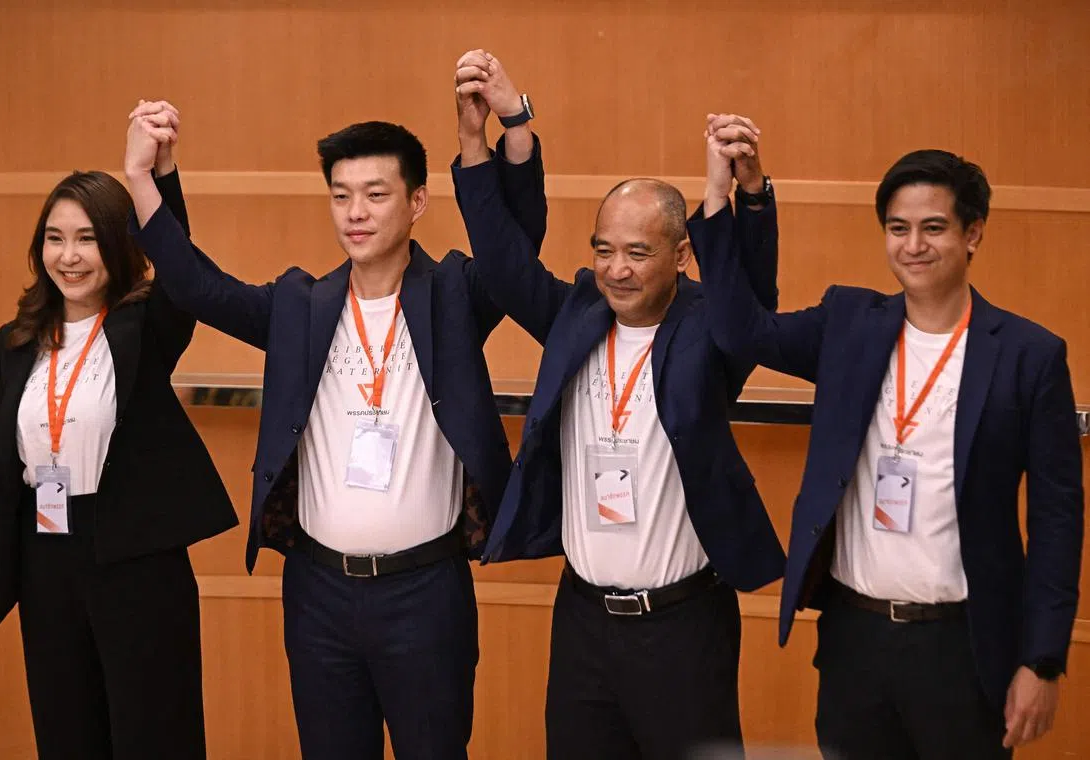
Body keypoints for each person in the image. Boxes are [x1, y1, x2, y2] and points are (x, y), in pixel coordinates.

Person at [122, 51, 546, 760]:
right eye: (342, 194)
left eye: (376, 194)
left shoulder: (452, 296)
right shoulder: (301, 306)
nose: (356, 212)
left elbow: (517, 253)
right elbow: (196, 286)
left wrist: (504, 129)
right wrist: (145, 176)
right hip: (317, 592)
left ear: (416, 203)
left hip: (426, 593)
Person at [693, 121, 1084, 758]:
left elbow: (1058, 520)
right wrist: (734, 196)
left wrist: (1041, 662)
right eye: (898, 229)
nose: (913, 246)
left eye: (934, 228)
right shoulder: (850, 324)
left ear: (973, 232)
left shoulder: (1028, 355)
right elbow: (741, 331)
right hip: (856, 639)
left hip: (963, 646)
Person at [452, 89, 785, 758]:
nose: (615, 269)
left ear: (682, 254)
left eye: (636, 252)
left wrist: (743, 193)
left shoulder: (711, 331)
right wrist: (479, 139)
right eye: (603, 250)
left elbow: (751, 294)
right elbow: (504, 266)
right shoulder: (577, 314)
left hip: (683, 627)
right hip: (583, 623)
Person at [0, 101, 238, 760]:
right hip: (46, 561)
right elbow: (5, 469)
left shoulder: (146, 326)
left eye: (86, 238)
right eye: (55, 237)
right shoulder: (17, 341)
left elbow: (186, 277)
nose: (69, 255)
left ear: (119, 245)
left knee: (151, 739)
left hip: (136, 564)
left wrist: (159, 175)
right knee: (67, 738)